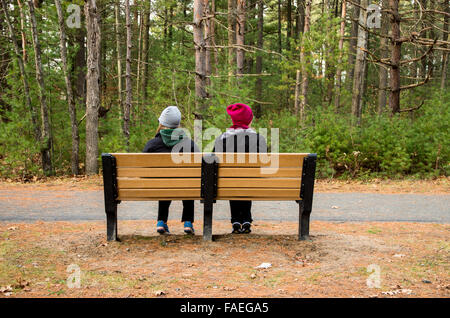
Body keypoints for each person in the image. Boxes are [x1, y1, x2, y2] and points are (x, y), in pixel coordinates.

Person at [143, 106, 199, 235]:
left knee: (164, 182)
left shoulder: (152, 144)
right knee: (188, 181)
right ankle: (188, 222)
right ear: (178, 125)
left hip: (159, 186)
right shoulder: (189, 144)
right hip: (186, 187)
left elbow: (143, 167)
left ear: (161, 123)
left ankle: (161, 221)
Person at [213, 103, 267, 234]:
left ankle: (236, 220)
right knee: (246, 178)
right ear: (248, 120)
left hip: (228, 182)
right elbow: (265, 161)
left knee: (233, 178)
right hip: (252, 181)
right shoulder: (258, 138)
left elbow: (213, 161)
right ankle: (246, 219)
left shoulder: (222, 138)